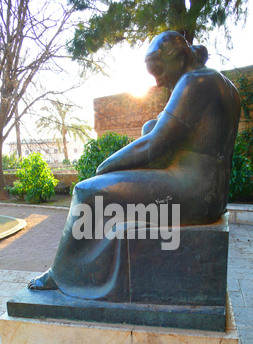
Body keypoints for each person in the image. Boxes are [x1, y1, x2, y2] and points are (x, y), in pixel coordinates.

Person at [28, 31, 241, 300]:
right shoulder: (226, 86)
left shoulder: (194, 82)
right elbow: (172, 135)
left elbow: (154, 144)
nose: (160, 81)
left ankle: (63, 276)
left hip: (192, 192)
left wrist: (105, 167)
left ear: (178, 58)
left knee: (88, 192)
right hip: (213, 196)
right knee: (147, 126)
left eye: (160, 71)